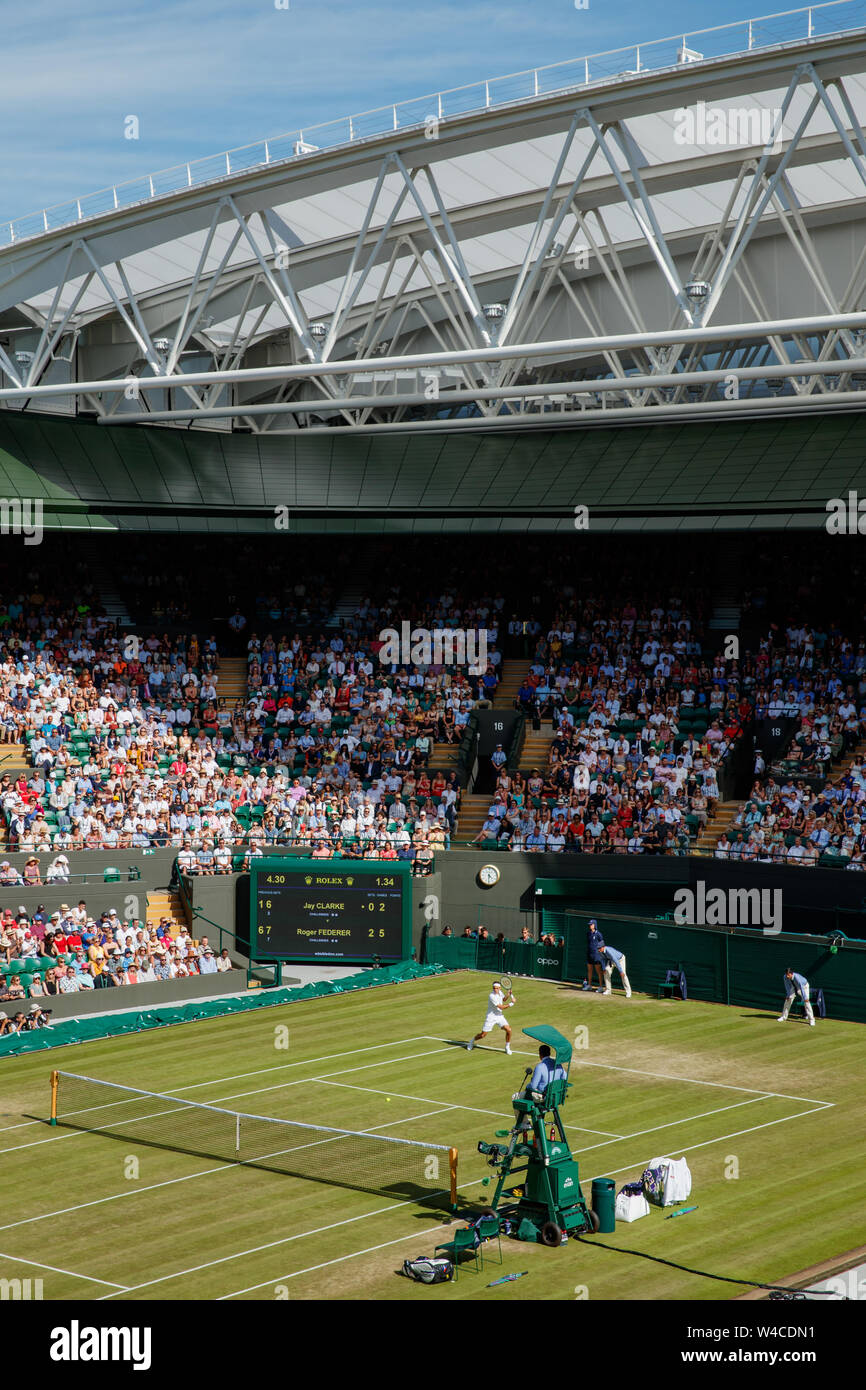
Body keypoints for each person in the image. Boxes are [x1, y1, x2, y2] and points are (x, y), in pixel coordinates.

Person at [467, 979, 514, 1054]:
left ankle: (507, 1047)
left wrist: (508, 994)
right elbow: (501, 1007)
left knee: (509, 1030)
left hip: (499, 1016)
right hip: (491, 1017)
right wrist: (511, 1004)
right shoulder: (491, 996)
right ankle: (472, 1041)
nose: (495, 989)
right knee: (483, 1035)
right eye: (494, 988)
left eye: (496, 988)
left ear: (499, 988)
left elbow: (504, 999)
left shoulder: (500, 992)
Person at [584, 919, 606, 992]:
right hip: (589, 954)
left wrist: (599, 953)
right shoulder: (588, 933)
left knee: (599, 971)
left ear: (594, 925)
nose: (590, 926)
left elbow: (602, 944)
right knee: (589, 970)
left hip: (597, 955)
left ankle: (600, 987)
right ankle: (589, 985)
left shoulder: (599, 934)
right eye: (589, 925)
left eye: (591, 924)